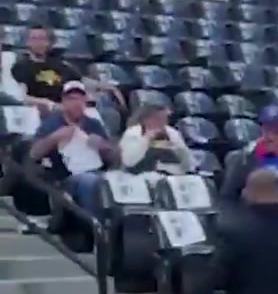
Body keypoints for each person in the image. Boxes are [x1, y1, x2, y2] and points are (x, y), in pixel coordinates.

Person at [29, 81, 116, 214]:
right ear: (63, 101)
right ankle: (93, 222)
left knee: (111, 181)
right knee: (89, 181)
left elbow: (113, 157)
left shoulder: (93, 124)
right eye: (71, 99)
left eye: (80, 99)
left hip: (96, 170)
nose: (76, 103)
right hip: (63, 177)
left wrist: (102, 146)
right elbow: (34, 153)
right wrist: (54, 138)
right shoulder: (52, 123)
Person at [119, 103, 195, 175]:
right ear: (146, 119)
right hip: (139, 176)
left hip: (171, 175)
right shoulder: (133, 133)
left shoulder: (172, 133)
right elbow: (129, 162)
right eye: (157, 119)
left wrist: (179, 149)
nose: (162, 122)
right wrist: (146, 139)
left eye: (164, 118)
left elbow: (188, 164)